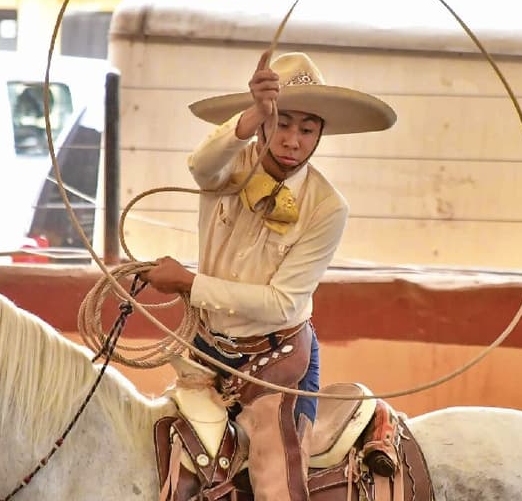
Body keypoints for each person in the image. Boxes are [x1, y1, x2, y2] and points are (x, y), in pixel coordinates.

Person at [142, 50, 396, 500]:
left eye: (306, 128)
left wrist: (188, 284)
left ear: (320, 135)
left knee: (273, 477)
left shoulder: (327, 207)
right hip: (206, 350)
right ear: (262, 122)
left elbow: (282, 303)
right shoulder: (228, 167)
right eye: (281, 122)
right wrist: (250, 113)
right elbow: (201, 165)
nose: (292, 140)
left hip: (276, 359)